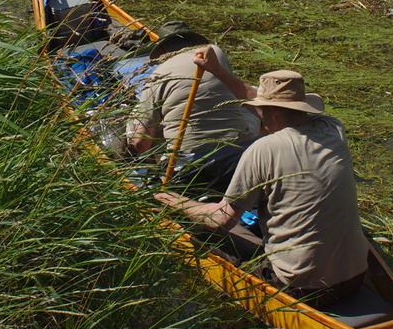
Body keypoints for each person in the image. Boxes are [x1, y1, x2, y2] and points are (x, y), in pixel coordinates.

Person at [156, 51, 370, 305]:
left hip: (301, 289)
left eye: (261, 112)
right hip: (357, 277)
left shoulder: (262, 149)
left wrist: (175, 201)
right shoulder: (333, 128)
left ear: (274, 115)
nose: (258, 117)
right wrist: (218, 71)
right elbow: (252, 95)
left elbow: (221, 219)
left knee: (201, 234)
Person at [125, 21, 254, 193]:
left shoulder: (158, 74)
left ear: (162, 52)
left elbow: (140, 143)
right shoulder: (217, 54)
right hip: (238, 161)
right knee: (246, 110)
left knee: (141, 126)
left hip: (188, 171)